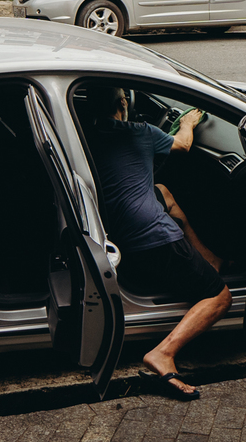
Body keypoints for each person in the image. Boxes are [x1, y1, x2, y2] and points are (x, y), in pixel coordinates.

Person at [89, 87, 230, 401]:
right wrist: (188, 123)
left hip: (116, 230)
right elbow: (182, 145)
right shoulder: (139, 132)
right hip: (152, 237)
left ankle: (209, 259)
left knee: (163, 190)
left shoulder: (86, 134)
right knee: (220, 298)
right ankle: (163, 354)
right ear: (123, 103)